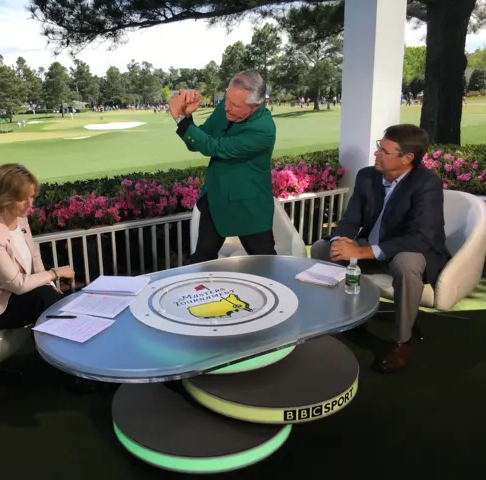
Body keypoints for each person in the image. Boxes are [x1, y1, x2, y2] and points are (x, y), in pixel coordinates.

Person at [310, 124, 451, 373]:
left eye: (383, 151)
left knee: (406, 263)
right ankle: (347, 318)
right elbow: (351, 219)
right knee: (322, 249)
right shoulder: (367, 176)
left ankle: (401, 340)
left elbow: (420, 238)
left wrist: (362, 252)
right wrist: (339, 242)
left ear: (407, 159)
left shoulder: (427, 184)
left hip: (409, 251)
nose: (376, 154)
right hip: (372, 246)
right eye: (378, 147)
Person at [0, 164, 96, 391]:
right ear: (4, 198)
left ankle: (79, 359)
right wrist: (56, 273)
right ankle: (75, 369)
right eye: (24, 199)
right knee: (45, 299)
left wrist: (49, 281)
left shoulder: (20, 219)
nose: (31, 204)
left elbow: (33, 257)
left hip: (10, 294)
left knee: (52, 296)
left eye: (32, 196)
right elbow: (18, 285)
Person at [169, 71, 277, 263]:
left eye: (235, 105)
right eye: (226, 99)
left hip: (248, 208)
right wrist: (186, 116)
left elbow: (214, 147)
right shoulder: (225, 108)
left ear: (255, 106)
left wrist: (180, 119)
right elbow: (197, 142)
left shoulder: (263, 129)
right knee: (202, 259)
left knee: (266, 265)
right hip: (215, 200)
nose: (226, 107)